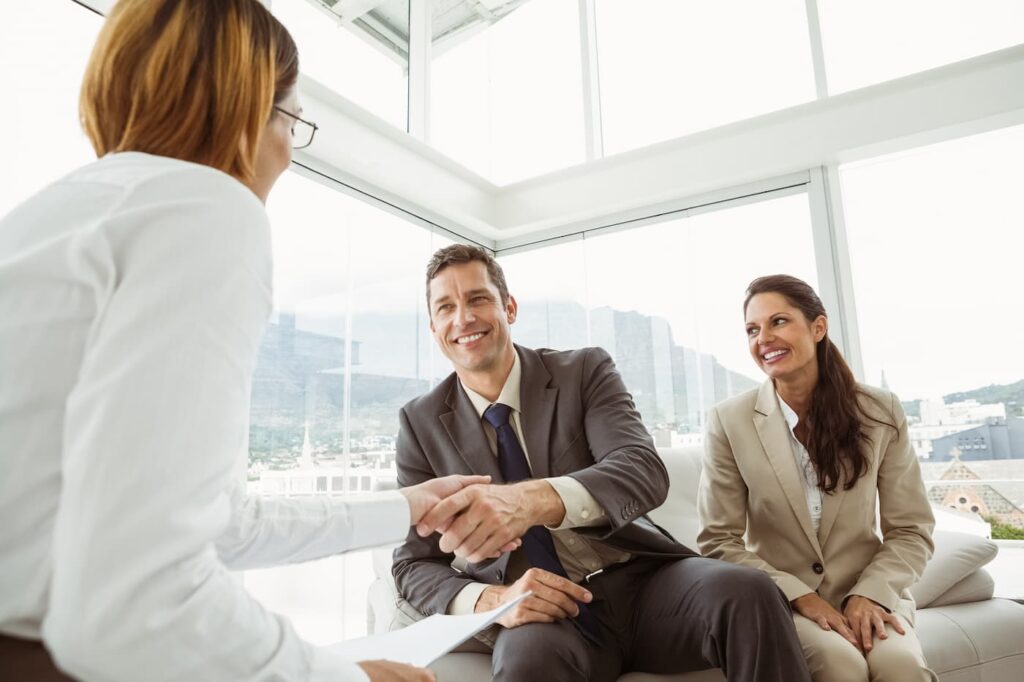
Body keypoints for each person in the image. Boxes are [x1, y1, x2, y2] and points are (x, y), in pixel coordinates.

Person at [0, 2, 499, 680]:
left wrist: (409, 508)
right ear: (244, 109)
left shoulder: (53, 217)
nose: (288, 151)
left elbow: (221, 523)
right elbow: (138, 597)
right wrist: (345, 677)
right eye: (291, 119)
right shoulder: (205, 207)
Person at [391, 244, 811, 682]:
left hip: (642, 582)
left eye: (478, 299)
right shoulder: (419, 424)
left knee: (748, 592)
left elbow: (641, 469)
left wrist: (533, 500)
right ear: (434, 327)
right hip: (543, 613)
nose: (464, 318)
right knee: (526, 666)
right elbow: (412, 563)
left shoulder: (583, 370)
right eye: (446, 307)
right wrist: (491, 600)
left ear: (509, 307)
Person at [697, 274, 937, 682]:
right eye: (752, 330)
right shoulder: (729, 420)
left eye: (778, 322)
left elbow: (911, 529)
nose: (763, 339)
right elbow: (717, 541)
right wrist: (801, 595)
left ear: (818, 327)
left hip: (871, 592)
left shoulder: (879, 411)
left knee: (902, 666)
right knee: (838, 665)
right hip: (784, 602)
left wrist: (870, 593)